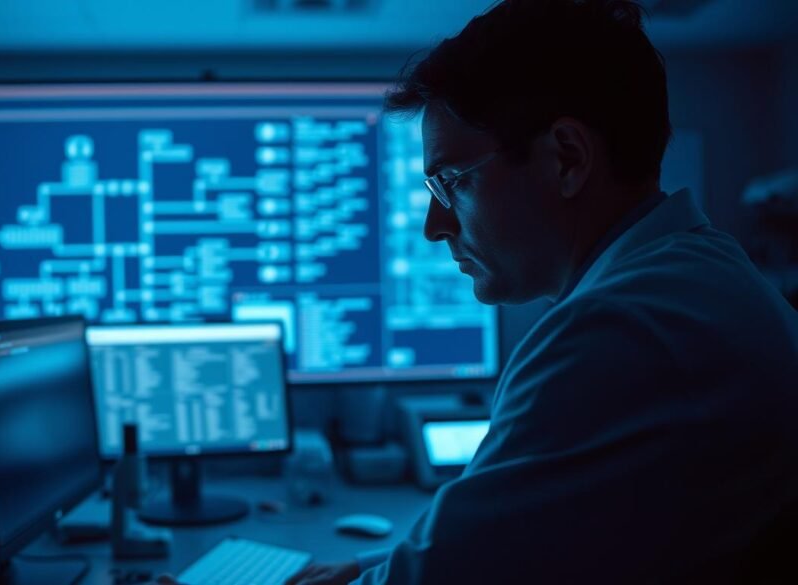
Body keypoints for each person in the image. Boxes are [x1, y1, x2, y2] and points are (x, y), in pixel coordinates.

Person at [282, 0, 798, 583]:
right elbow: (490, 538)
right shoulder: (699, 279)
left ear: (567, 158)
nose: (435, 224)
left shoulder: (616, 333)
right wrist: (362, 568)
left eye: (452, 182)